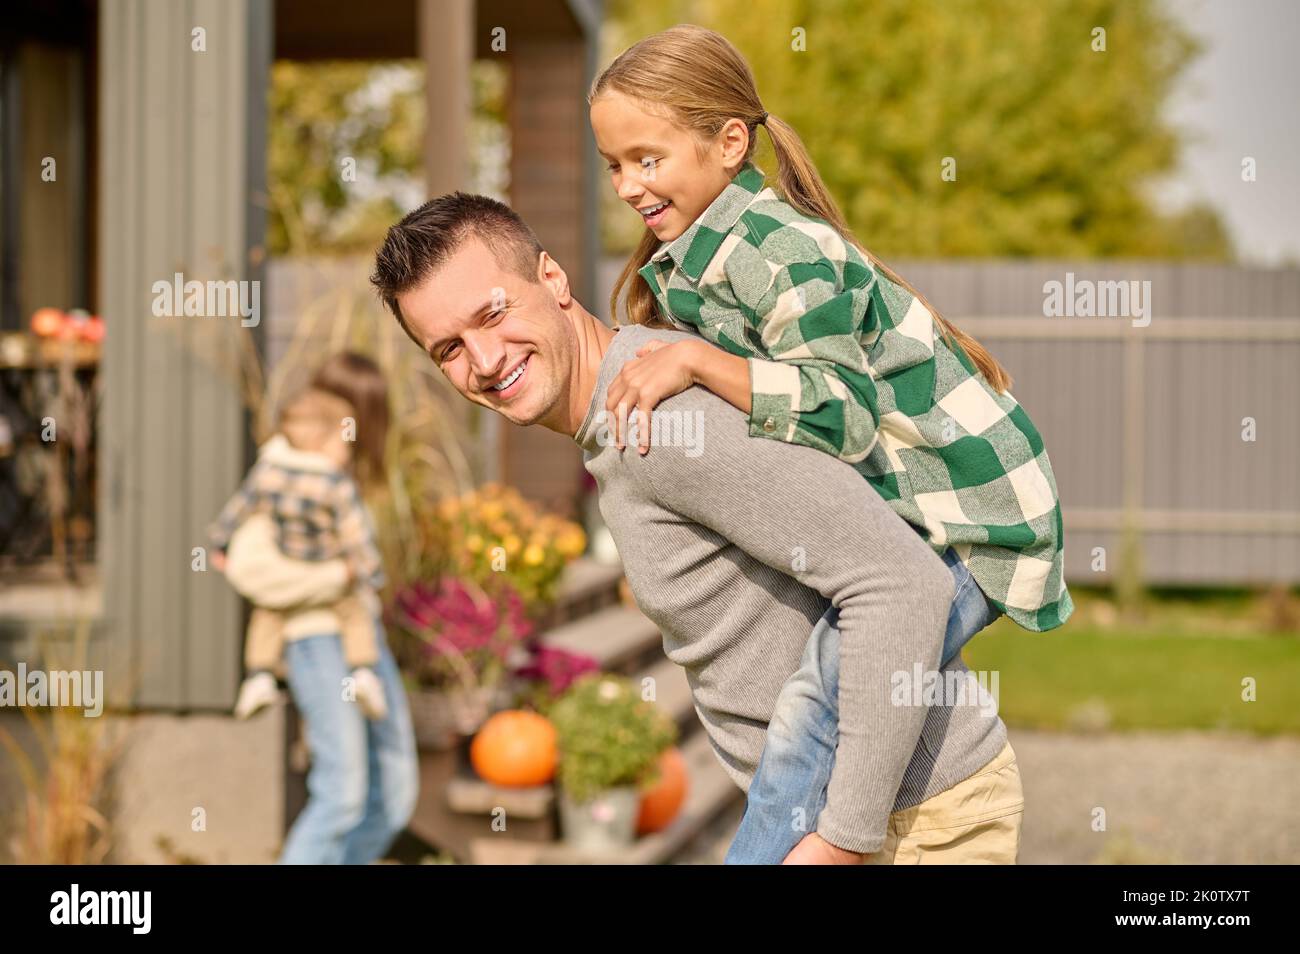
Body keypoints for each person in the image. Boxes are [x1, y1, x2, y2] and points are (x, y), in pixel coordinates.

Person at [369, 192, 1023, 864]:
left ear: (552, 278)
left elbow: (904, 582)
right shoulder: (621, 417)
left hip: (914, 828)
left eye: (493, 312)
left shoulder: (663, 420)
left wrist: (842, 841)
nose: (482, 359)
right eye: (448, 347)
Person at [586, 25, 1071, 862]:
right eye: (614, 165)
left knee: (819, 699)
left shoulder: (781, 252)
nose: (629, 184)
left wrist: (700, 360)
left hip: (974, 514)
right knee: (828, 692)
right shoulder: (696, 258)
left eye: (647, 158)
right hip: (924, 512)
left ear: (729, 142)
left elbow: (841, 411)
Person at [216, 353, 418, 865]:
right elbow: (249, 567)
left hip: (361, 638)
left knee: (395, 794)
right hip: (316, 639)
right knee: (343, 793)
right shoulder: (279, 472)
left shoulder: (340, 476)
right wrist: (339, 578)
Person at [209, 363, 389, 721]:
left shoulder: (270, 471)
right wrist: (368, 572)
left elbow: (240, 507)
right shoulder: (334, 484)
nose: (349, 450)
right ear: (321, 443)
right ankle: (364, 672)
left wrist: (219, 543)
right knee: (356, 616)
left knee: (266, 617)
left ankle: (259, 676)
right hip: (327, 584)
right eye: (344, 441)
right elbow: (356, 536)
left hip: (287, 560)